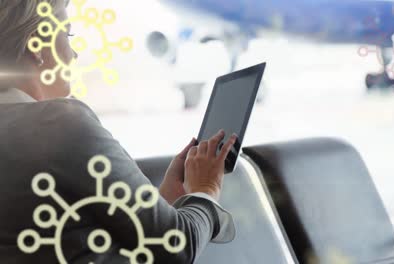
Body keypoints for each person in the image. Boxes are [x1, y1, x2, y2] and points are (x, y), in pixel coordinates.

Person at [0, 0, 236, 263]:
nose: (73, 55)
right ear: (36, 46)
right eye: (68, 35)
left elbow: (69, 236)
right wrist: (206, 189)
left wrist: (160, 203)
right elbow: (177, 246)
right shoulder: (61, 124)